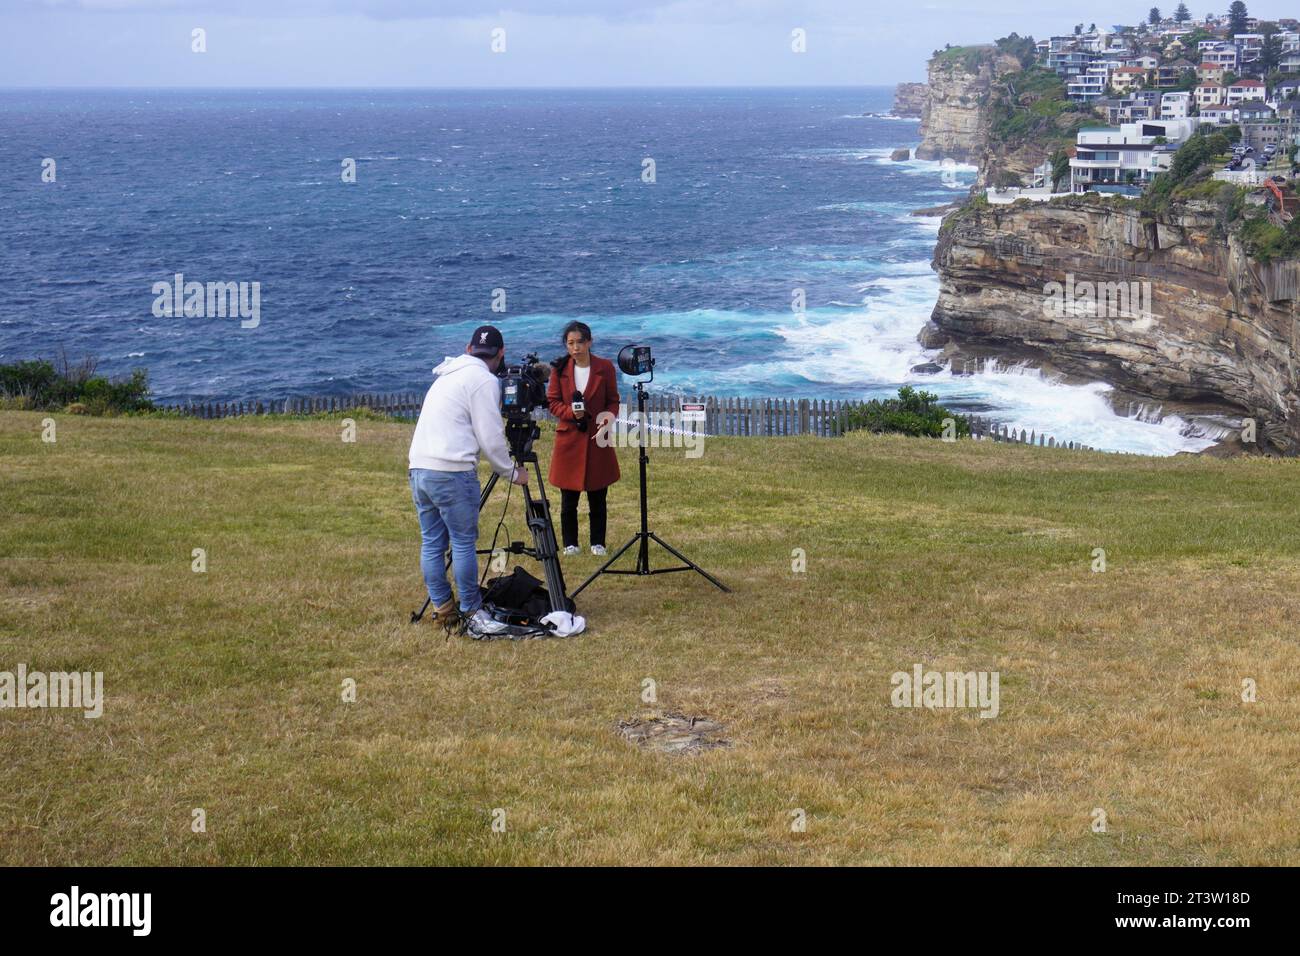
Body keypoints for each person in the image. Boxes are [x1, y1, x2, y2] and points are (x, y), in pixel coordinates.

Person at [408, 325, 528, 632]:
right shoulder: (483, 380)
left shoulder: (447, 373)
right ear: (500, 354)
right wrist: (511, 472)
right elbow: (490, 436)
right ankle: (472, 611)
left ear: (468, 348)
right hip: (451, 470)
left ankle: (442, 607)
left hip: (420, 467)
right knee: (462, 543)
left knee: (433, 542)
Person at [546, 320, 620, 556]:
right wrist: (571, 413)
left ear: (589, 342)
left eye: (579, 342)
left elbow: (613, 400)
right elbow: (553, 402)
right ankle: (570, 544)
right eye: (571, 343)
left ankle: (598, 543)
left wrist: (608, 420)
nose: (575, 347)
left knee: (598, 495)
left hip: (598, 438)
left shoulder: (605, 367)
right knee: (569, 499)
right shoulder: (559, 370)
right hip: (569, 440)